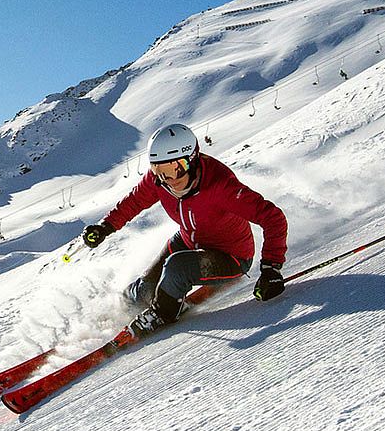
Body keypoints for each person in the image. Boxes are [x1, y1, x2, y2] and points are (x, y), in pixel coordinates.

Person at [81, 123, 288, 337]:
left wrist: (271, 269)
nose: (167, 179)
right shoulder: (158, 182)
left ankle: (162, 313)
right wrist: (106, 226)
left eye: (174, 169)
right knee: (145, 290)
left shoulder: (220, 186)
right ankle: (122, 305)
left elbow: (273, 218)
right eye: (158, 170)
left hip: (230, 256)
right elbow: (134, 202)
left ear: (192, 159)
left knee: (176, 268)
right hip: (189, 241)